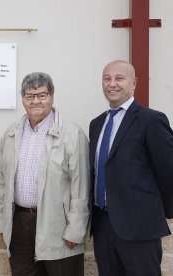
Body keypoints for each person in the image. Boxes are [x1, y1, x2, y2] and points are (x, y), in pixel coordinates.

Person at [0, 72, 90, 276]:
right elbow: (0, 179)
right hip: (20, 224)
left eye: (42, 95)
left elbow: (81, 185)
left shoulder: (72, 133)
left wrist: (76, 229)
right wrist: (2, 219)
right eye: (30, 96)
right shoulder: (11, 133)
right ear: (22, 99)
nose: (36, 101)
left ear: (52, 96)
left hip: (58, 226)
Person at [89, 60, 173, 275]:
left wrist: (165, 213)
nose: (112, 84)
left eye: (119, 78)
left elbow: (168, 170)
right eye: (107, 79)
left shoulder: (151, 120)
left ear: (133, 83)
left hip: (139, 228)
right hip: (103, 225)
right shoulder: (96, 124)